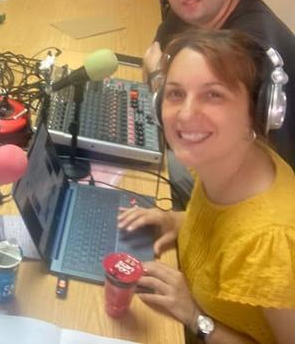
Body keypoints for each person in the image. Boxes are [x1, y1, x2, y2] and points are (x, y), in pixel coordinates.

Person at [120, 29, 295, 344]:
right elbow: (227, 228)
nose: (186, 114)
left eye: (213, 95)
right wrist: (177, 221)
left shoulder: (272, 242)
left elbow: (244, 239)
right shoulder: (222, 156)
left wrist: (196, 317)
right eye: (175, 94)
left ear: (257, 112)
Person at [141, 0, 295, 203]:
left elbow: (191, 122)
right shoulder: (194, 9)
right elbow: (156, 55)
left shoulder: (249, 45)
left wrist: (156, 79)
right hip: (223, 152)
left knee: (147, 174)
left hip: (263, 189)